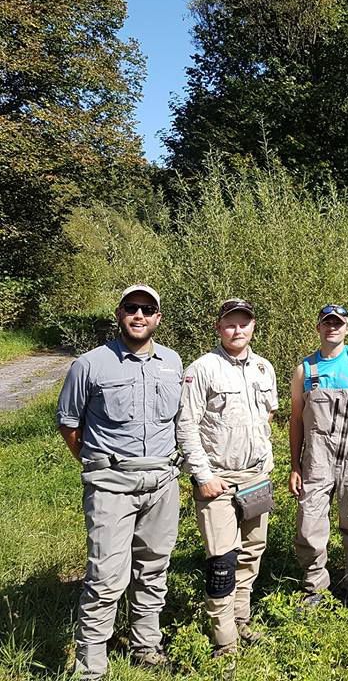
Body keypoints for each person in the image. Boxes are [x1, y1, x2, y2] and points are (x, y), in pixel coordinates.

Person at [56, 285, 183, 681]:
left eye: (148, 309)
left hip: (162, 481)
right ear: (119, 313)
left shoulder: (173, 363)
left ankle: (146, 644)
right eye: (132, 308)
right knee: (106, 575)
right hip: (111, 483)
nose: (139, 315)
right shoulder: (90, 365)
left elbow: (180, 421)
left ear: (158, 317)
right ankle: (91, 666)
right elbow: (69, 424)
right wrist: (99, 465)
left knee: (154, 567)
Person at [176, 299, 278, 657]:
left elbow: (266, 420)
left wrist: (266, 464)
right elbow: (186, 425)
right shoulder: (202, 369)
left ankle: (241, 619)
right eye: (231, 324)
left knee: (252, 551)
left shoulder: (265, 369)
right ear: (219, 328)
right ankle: (225, 640)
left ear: (253, 327)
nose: (238, 330)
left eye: (244, 324)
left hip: (255, 477)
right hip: (217, 481)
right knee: (222, 560)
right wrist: (203, 476)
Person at [289, 304, 348, 602]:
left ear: (347, 328)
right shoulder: (305, 369)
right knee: (309, 522)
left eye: (338, 323)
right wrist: (294, 465)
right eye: (327, 322)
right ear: (318, 327)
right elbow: (295, 419)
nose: (332, 327)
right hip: (317, 459)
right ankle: (314, 584)